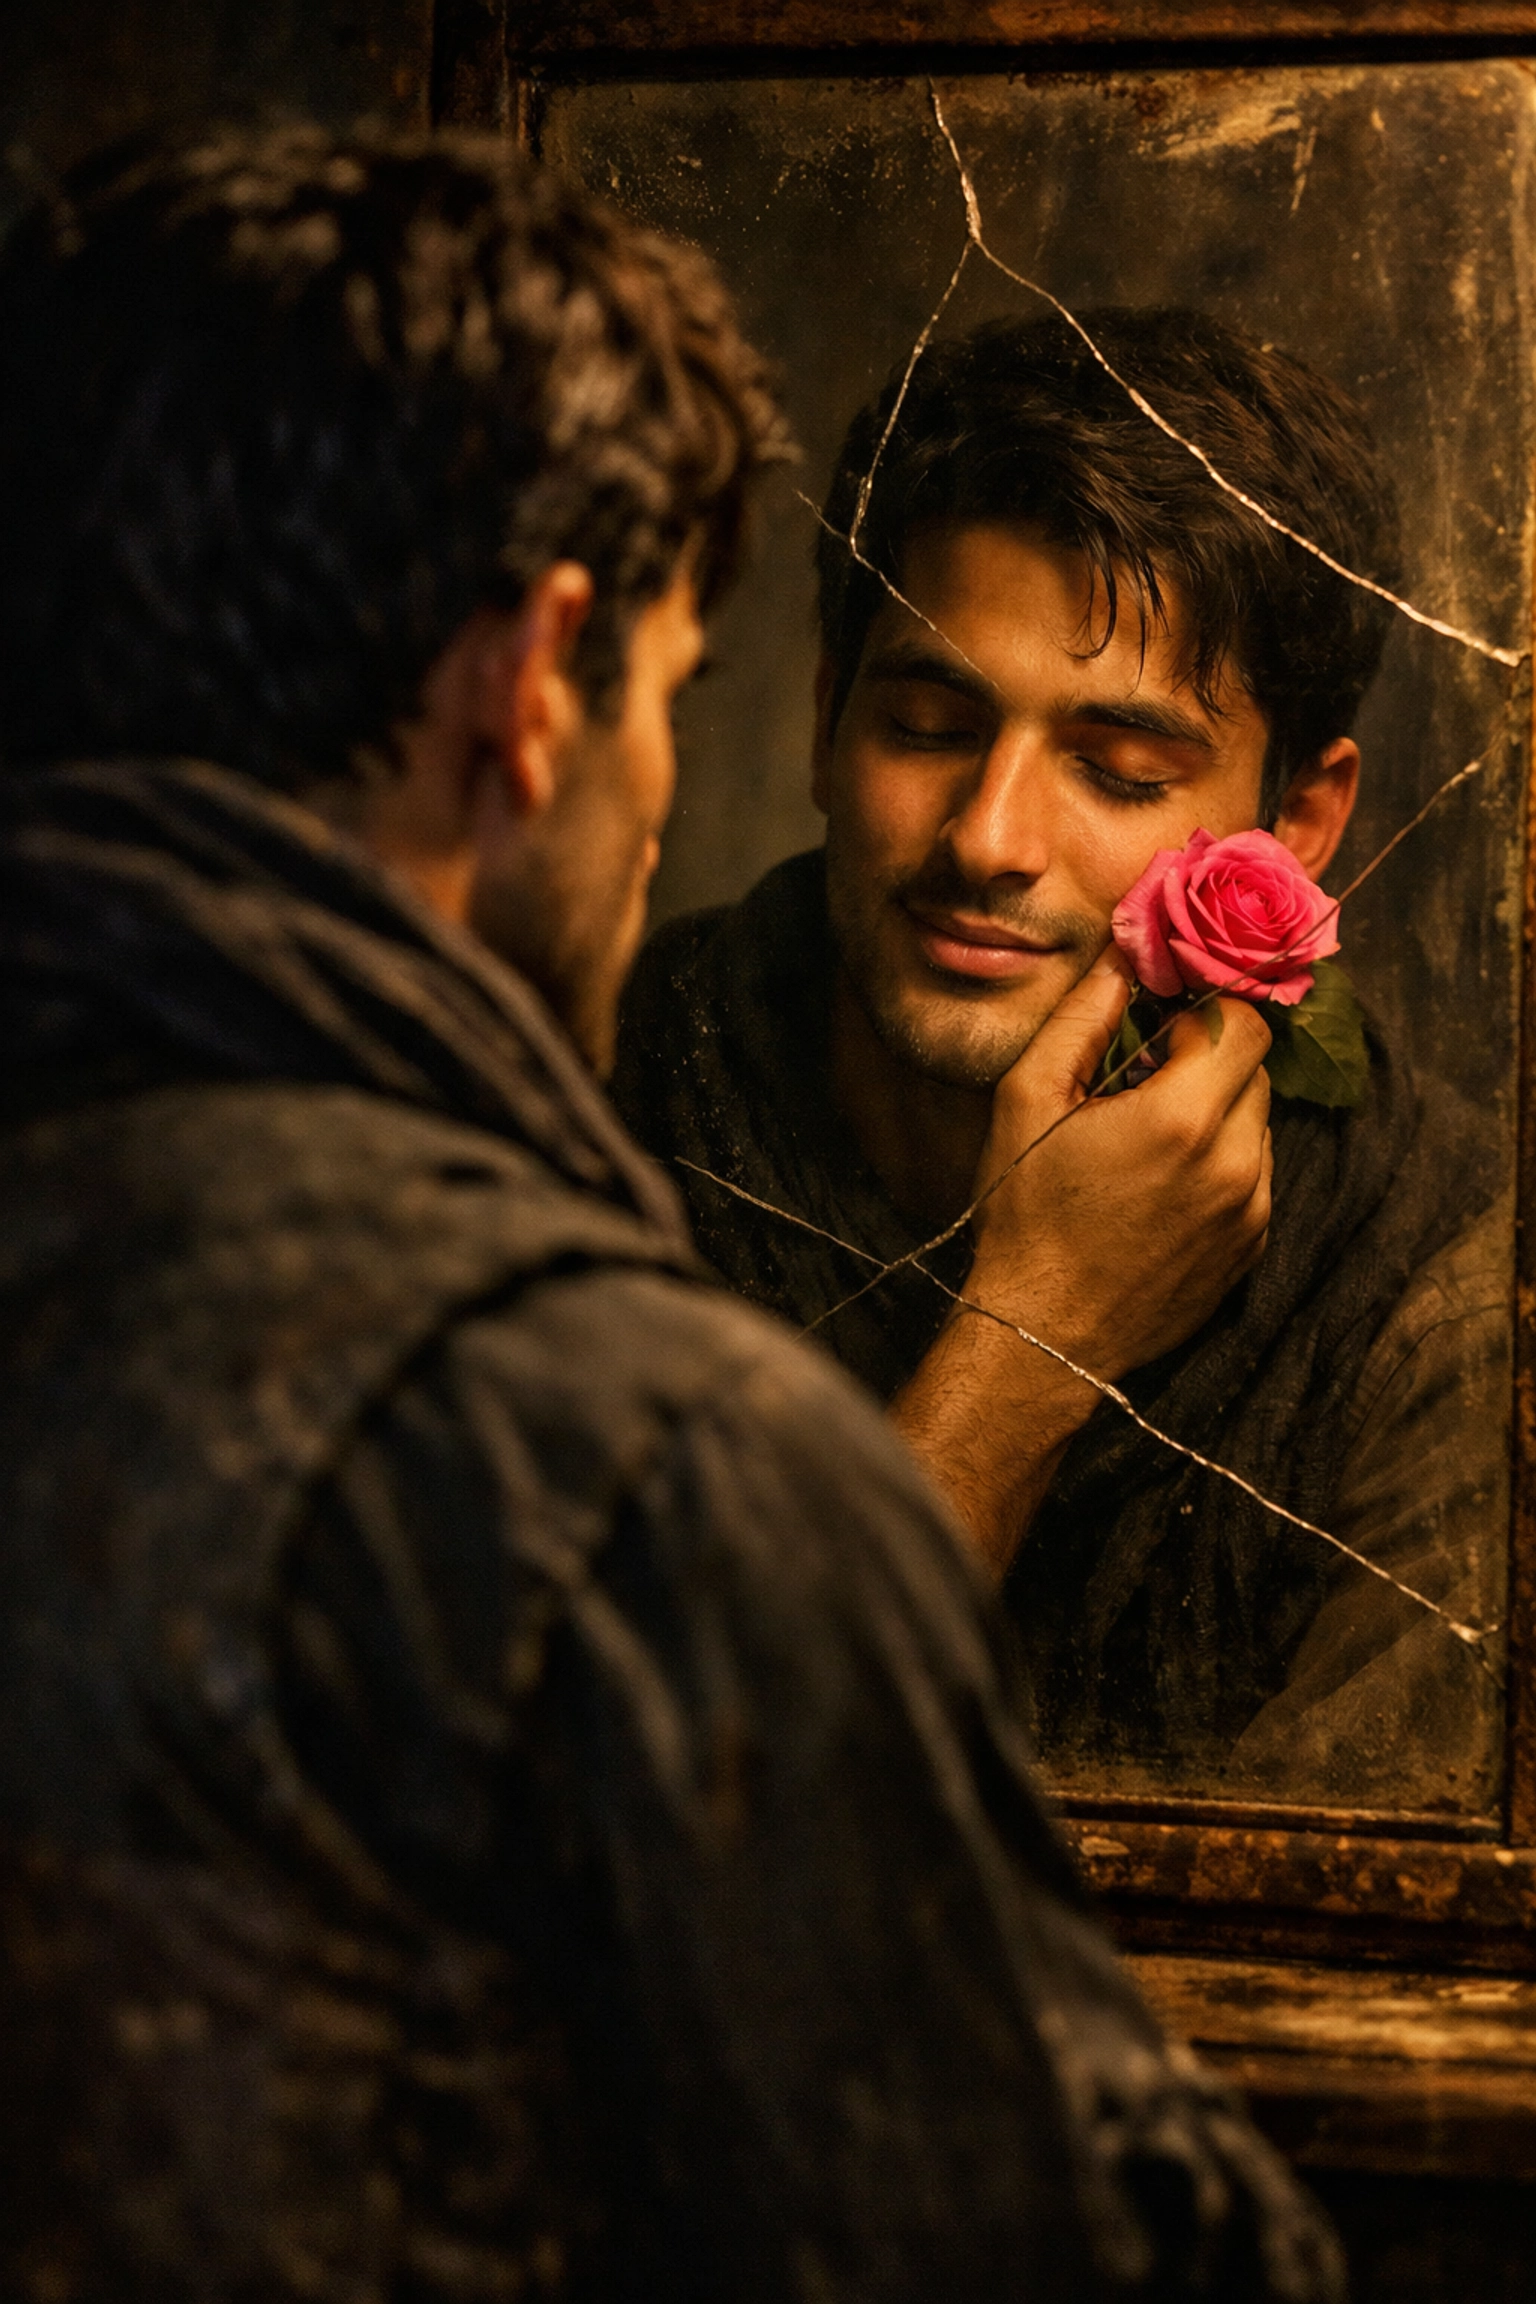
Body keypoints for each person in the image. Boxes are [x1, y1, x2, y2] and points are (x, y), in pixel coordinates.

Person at [0, 129, 1341, 2303]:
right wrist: (1008, 1372)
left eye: (1113, 761)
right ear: (542, 684)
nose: (992, 838)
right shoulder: (615, 1462)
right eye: (677, 682)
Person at [615, 310, 1509, 1809]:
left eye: (1119, 771)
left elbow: (1365, 1987)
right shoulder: (589, 1088)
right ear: (826, 713)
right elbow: (637, 1843)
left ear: (1294, 825)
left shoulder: (1451, 1290)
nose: (987, 840)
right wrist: (1039, 1331)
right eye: (927, 722)